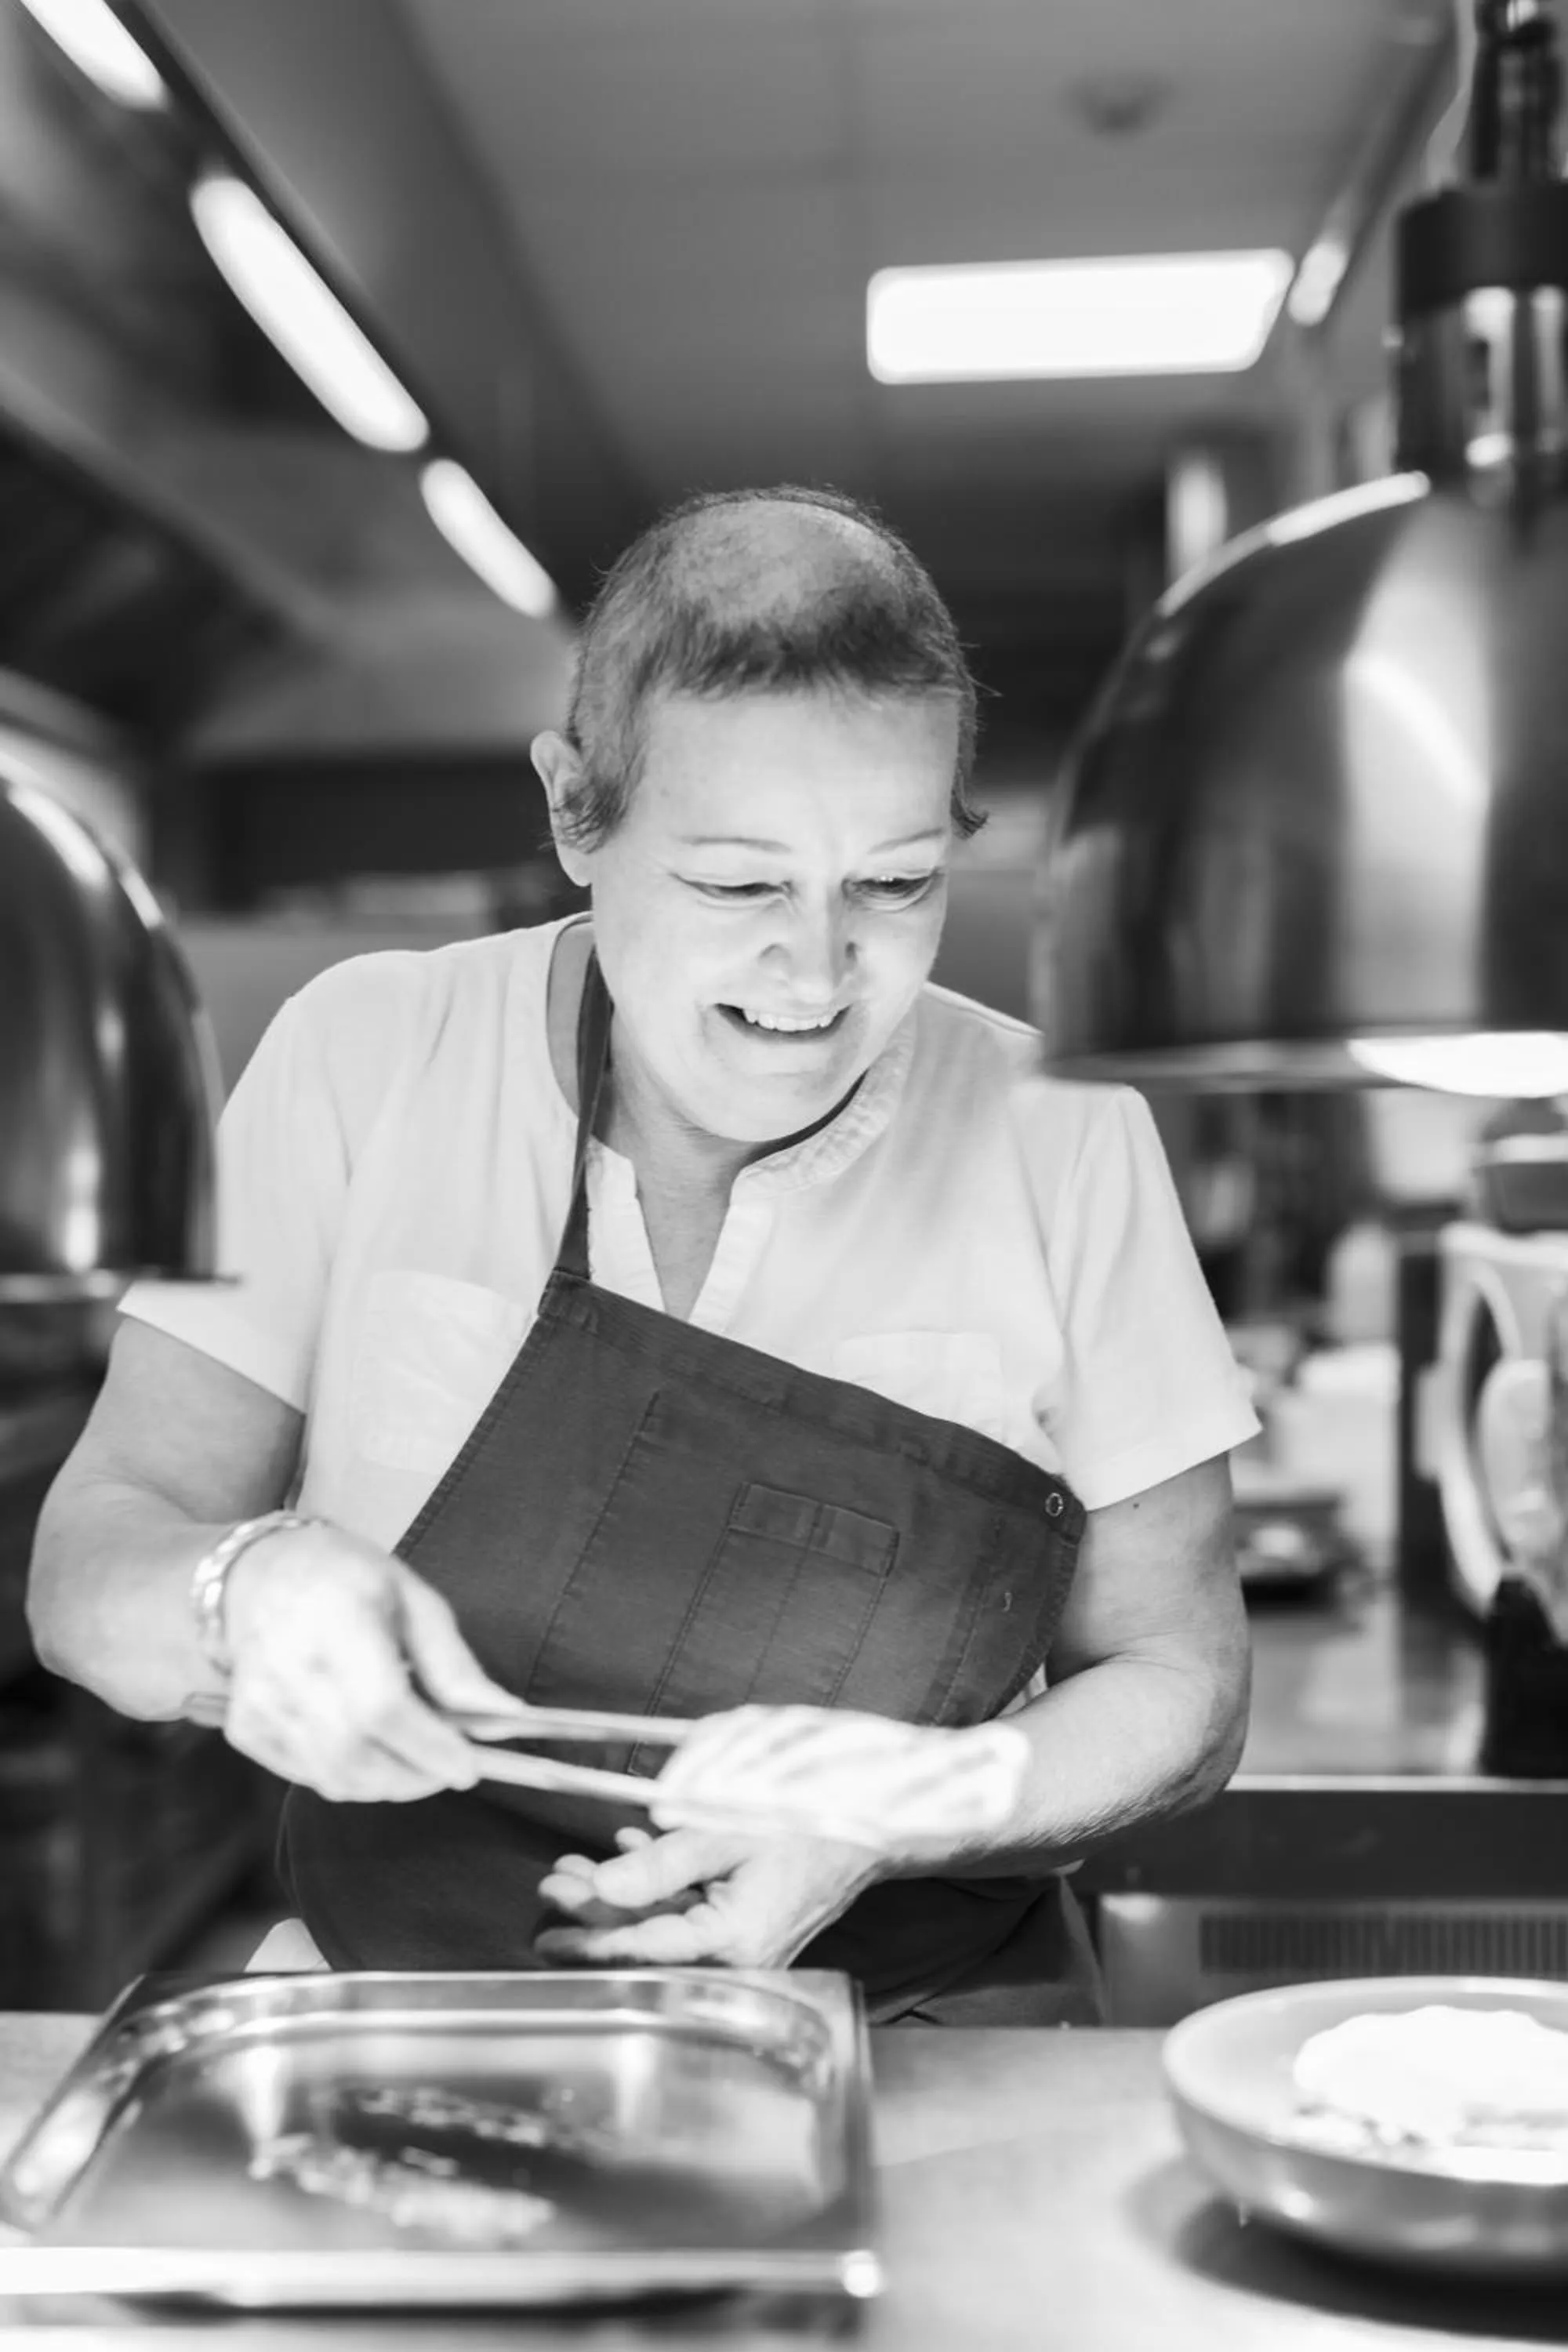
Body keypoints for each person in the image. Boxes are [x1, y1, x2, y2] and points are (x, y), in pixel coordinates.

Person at [27, 485, 1258, 2024]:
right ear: (572, 811)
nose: (817, 969)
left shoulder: (1065, 1142)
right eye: (738, 884)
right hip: (416, 2023)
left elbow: (1182, 1680)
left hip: (933, 2046)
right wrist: (237, 1591)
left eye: (893, 882)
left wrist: (917, 1800)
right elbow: (92, 1563)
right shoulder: (367, 1058)